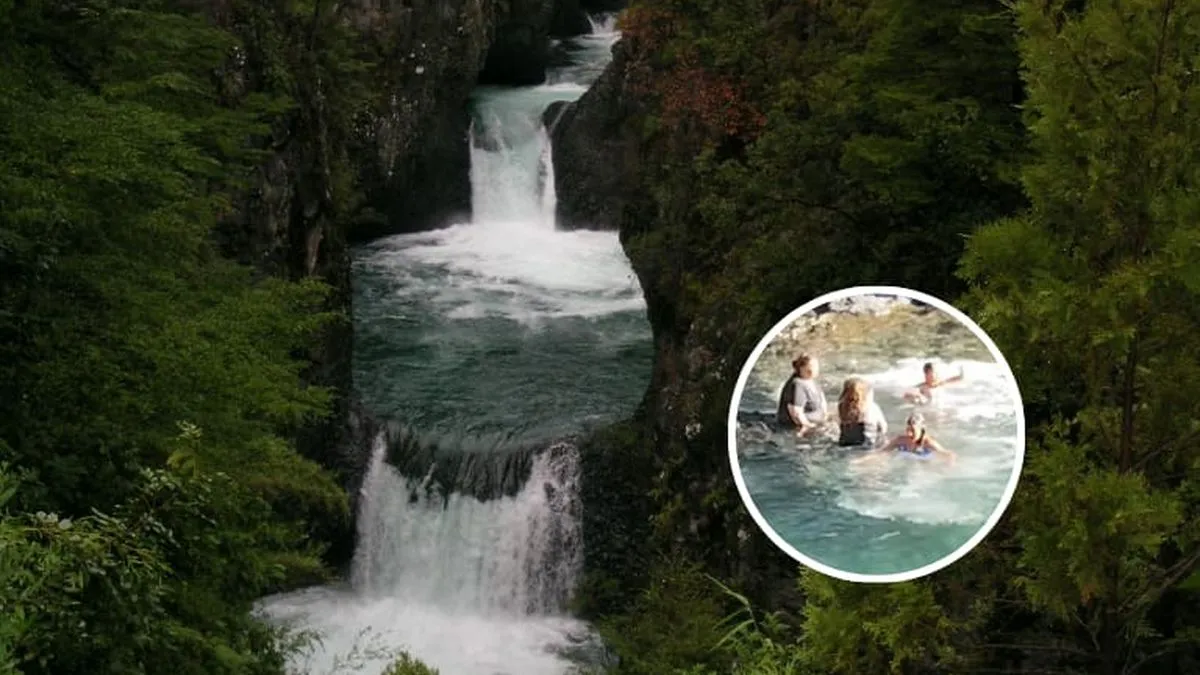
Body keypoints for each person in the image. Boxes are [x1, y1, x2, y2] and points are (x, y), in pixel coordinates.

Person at [854, 412, 956, 463]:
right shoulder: (900, 440)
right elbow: (882, 452)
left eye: (913, 431)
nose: (909, 434)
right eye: (908, 430)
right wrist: (861, 461)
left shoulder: (928, 443)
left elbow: (950, 455)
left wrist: (946, 469)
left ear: (921, 429)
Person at [776, 353, 828, 435]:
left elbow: (822, 402)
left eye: (815, 366)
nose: (813, 369)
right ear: (801, 368)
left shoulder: (812, 381)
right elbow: (796, 412)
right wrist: (808, 426)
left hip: (818, 422)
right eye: (811, 367)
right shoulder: (796, 384)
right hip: (797, 428)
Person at [836, 377, 887, 447]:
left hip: (845, 442)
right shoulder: (870, 407)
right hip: (868, 443)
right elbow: (883, 427)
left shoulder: (841, 406)